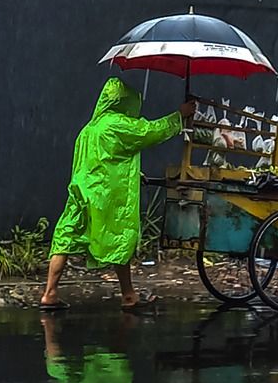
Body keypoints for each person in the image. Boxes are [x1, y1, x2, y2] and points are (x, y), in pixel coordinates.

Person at [41, 77, 196, 311]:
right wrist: (179, 116)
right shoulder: (117, 124)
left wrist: (133, 173)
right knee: (120, 238)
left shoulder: (90, 129)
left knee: (65, 238)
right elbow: (149, 132)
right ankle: (129, 295)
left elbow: (106, 159)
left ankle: (49, 294)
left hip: (80, 192)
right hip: (105, 196)